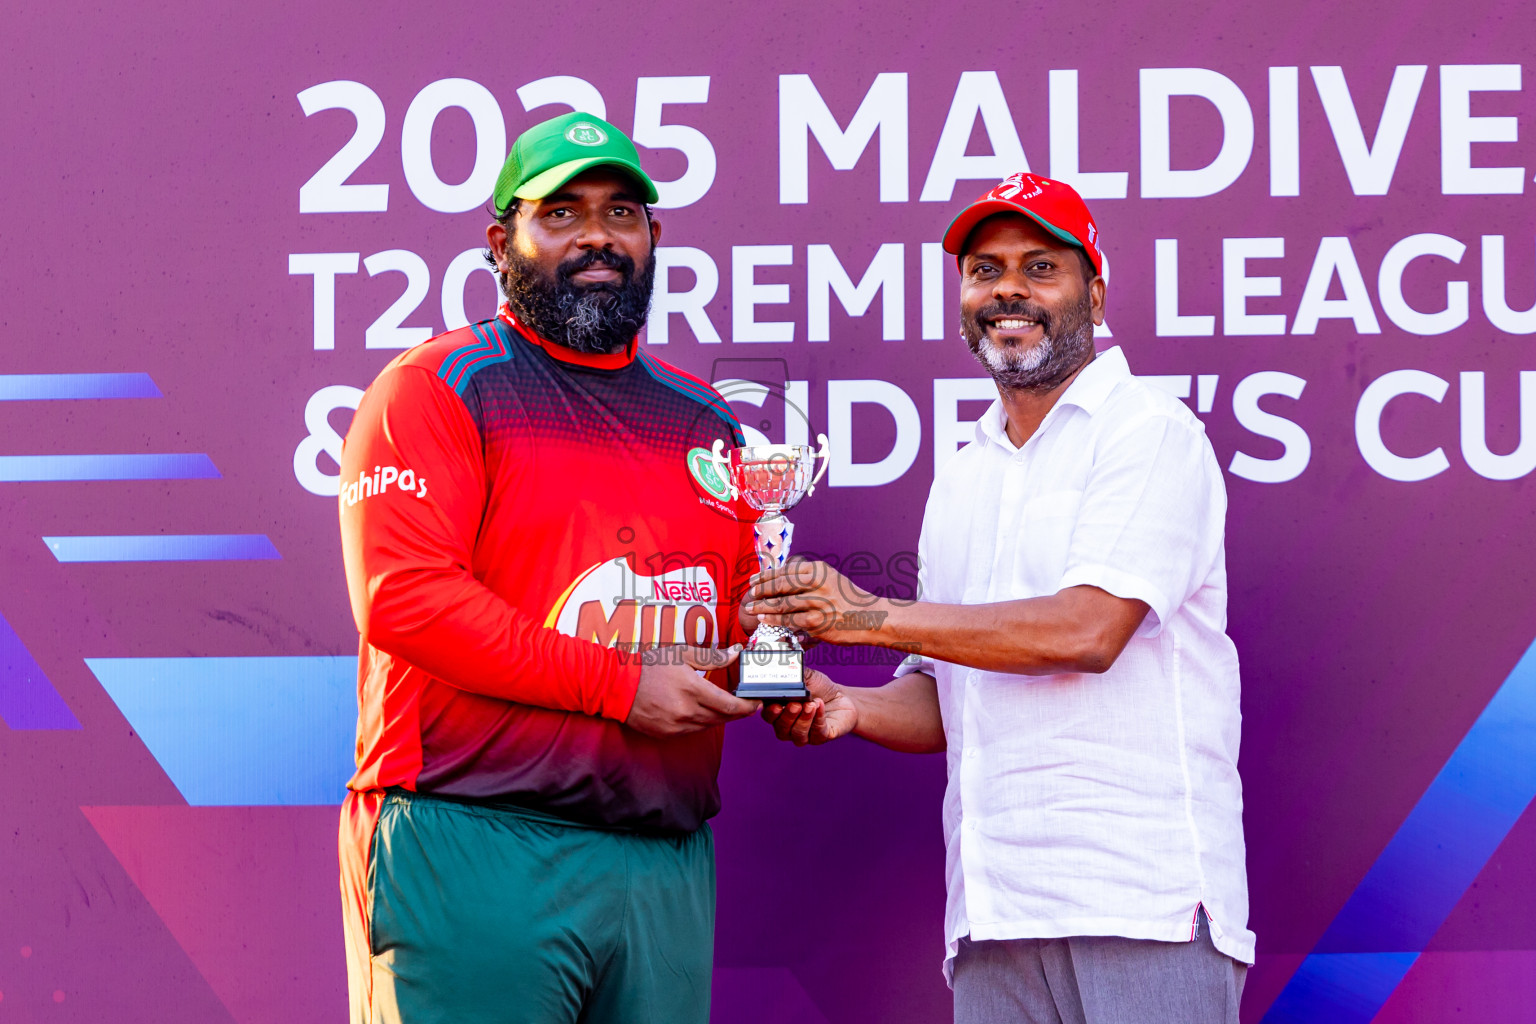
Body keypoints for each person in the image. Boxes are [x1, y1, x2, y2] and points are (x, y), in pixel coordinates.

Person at [748, 173, 1254, 1024]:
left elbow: (1087, 632)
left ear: (1094, 291)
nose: (1008, 289)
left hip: (1142, 906)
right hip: (994, 920)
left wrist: (866, 616)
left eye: (1040, 267)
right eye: (985, 269)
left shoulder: (1151, 433)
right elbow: (954, 693)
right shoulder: (967, 470)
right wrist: (855, 709)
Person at [336, 111, 761, 1024]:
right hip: (472, 834)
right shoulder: (438, 387)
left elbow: (734, 619)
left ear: (654, 238)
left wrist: (783, 668)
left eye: (621, 212)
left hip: (663, 853)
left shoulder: (707, 421)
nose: (598, 235)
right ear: (502, 242)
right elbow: (403, 600)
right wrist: (618, 688)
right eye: (561, 213)